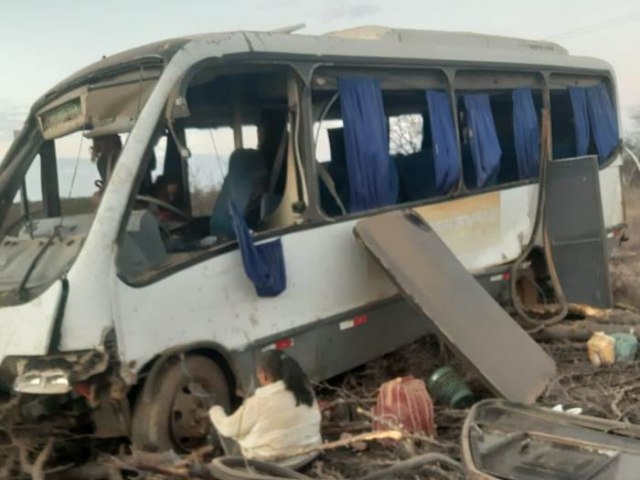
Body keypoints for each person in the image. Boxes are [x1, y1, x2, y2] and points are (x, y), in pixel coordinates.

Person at [208, 351, 322, 469]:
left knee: (223, 430)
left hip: (277, 467)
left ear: (263, 375)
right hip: (309, 457)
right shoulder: (306, 391)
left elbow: (228, 429)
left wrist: (215, 410)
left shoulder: (259, 402)